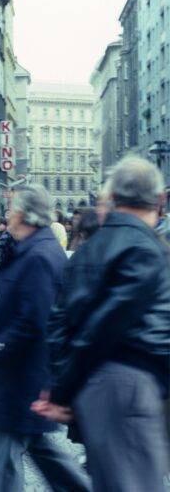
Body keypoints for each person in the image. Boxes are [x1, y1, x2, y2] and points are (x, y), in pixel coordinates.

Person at [33, 157, 170, 492]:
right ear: (160, 199)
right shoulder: (145, 247)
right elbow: (106, 324)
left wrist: (62, 385)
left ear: (114, 197)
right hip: (129, 385)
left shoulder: (90, 248)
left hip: (98, 387)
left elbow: (60, 321)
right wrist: (62, 391)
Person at [0, 185, 88, 492]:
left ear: (23, 214)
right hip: (21, 371)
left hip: (22, 371)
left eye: (11, 208)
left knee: (4, 451)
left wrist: (1, 347)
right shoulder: (28, 248)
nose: (7, 214)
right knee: (39, 447)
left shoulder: (39, 255)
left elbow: (35, 319)